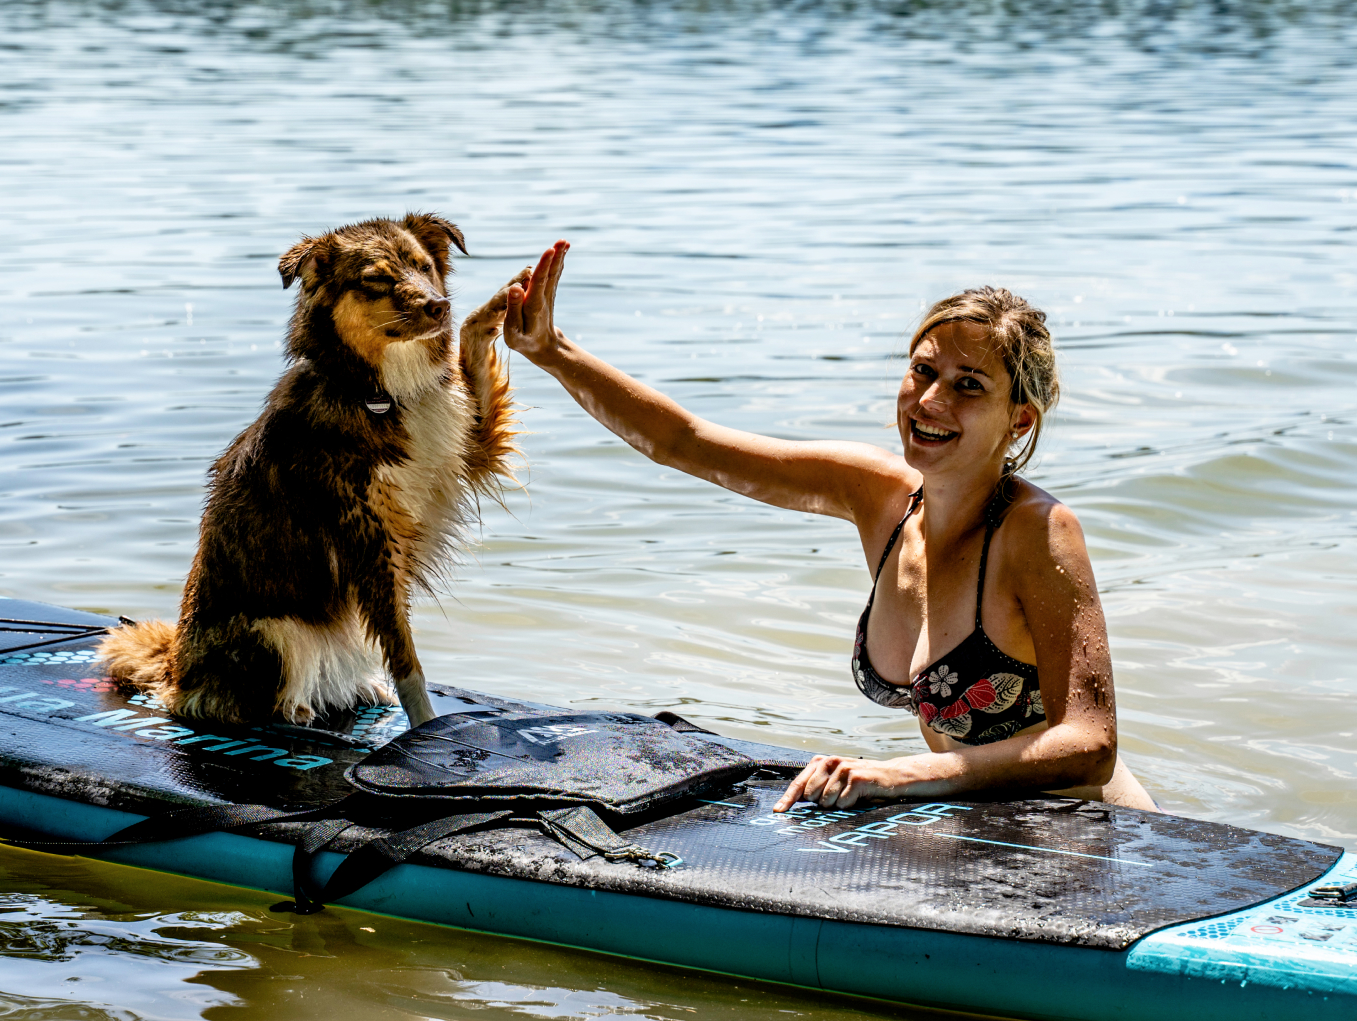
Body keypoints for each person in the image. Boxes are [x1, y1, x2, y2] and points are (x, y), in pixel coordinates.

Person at [495, 240, 1157, 812]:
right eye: (922, 371)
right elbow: (684, 441)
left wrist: (895, 774)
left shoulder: (1037, 531)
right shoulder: (877, 496)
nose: (929, 401)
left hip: (1104, 838)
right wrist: (552, 352)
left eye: (968, 385)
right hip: (984, 828)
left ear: (1018, 420)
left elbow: (1090, 745)